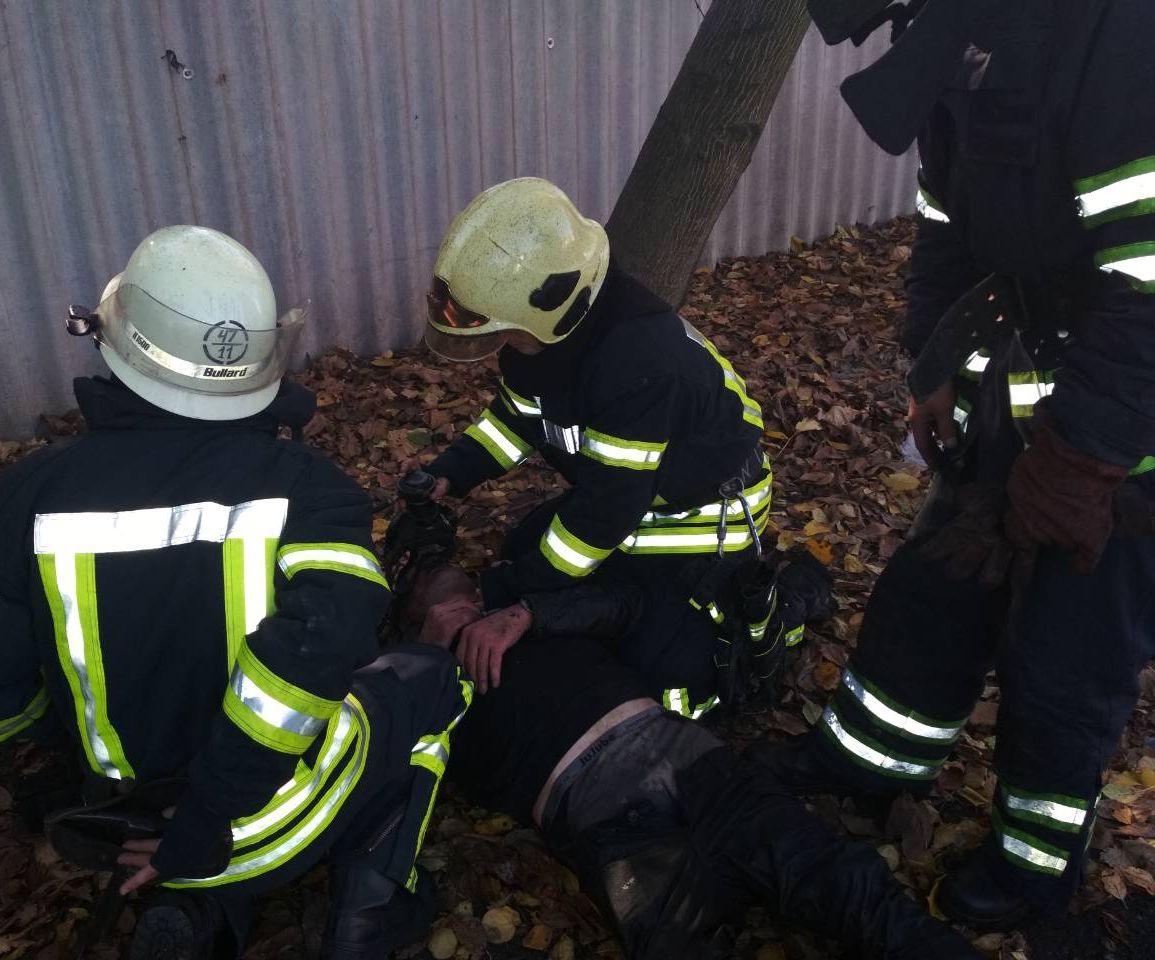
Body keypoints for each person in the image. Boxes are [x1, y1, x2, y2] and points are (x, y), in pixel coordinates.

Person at [0, 225, 471, 960]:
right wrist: (205, 817)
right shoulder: (315, 496)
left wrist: (60, 784)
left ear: (112, 341)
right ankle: (372, 916)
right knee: (435, 680)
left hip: (121, 824)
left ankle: (205, 914)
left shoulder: (14, 503)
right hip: (255, 821)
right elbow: (318, 655)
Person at [753, 0, 1155, 931]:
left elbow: (1148, 280)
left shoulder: (1118, 32)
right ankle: (873, 761)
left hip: (1125, 437)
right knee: (932, 594)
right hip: (1024, 386)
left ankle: (1033, 867)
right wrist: (933, 360)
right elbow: (946, 213)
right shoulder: (957, 27)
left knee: (1064, 656)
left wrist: (1078, 463)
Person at [394, 560, 979, 960]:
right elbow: (386, 761)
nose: (461, 601)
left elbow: (627, 603)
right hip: (612, 824)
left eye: (465, 586)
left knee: (844, 881)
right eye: (435, 594)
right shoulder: (416, 680)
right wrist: (425, 654)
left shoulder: (528, 607)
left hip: (693, 764)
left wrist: (527, 614)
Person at [415, 176, 773, 712]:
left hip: (696, 516)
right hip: (632, 493)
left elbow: (604, 516)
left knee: (653, 660)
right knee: (525, 551)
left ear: (550, 303)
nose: (493, 345)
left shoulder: (639, 366)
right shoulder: (538, 340)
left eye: (498, 330)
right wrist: (452, 472)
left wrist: (502, 593)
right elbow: (517, 419)